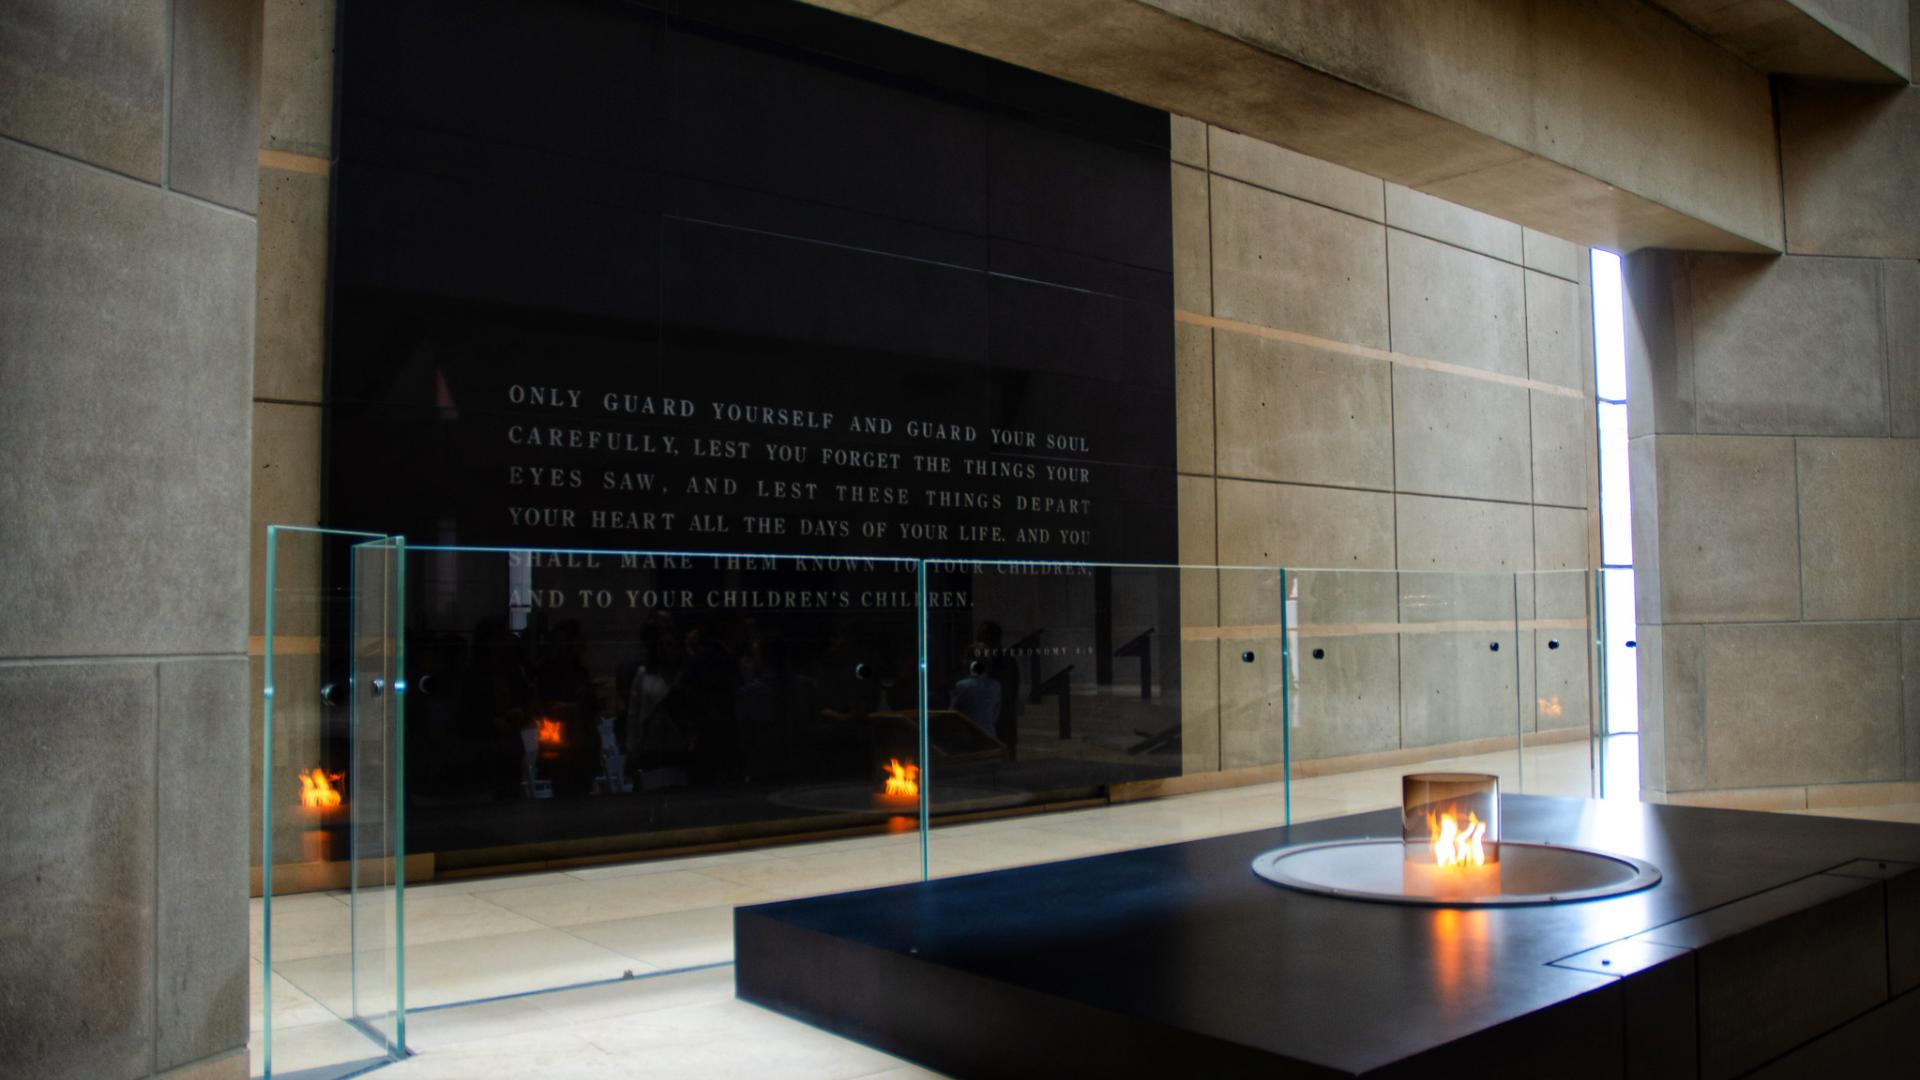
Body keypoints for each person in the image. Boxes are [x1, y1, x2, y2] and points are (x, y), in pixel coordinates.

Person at [949, 657, 1001, 737]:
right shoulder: (995, 685)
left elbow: (953, 710)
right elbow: (996, 709)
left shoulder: (963, 685)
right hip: (989, 732)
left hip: (969, 733)